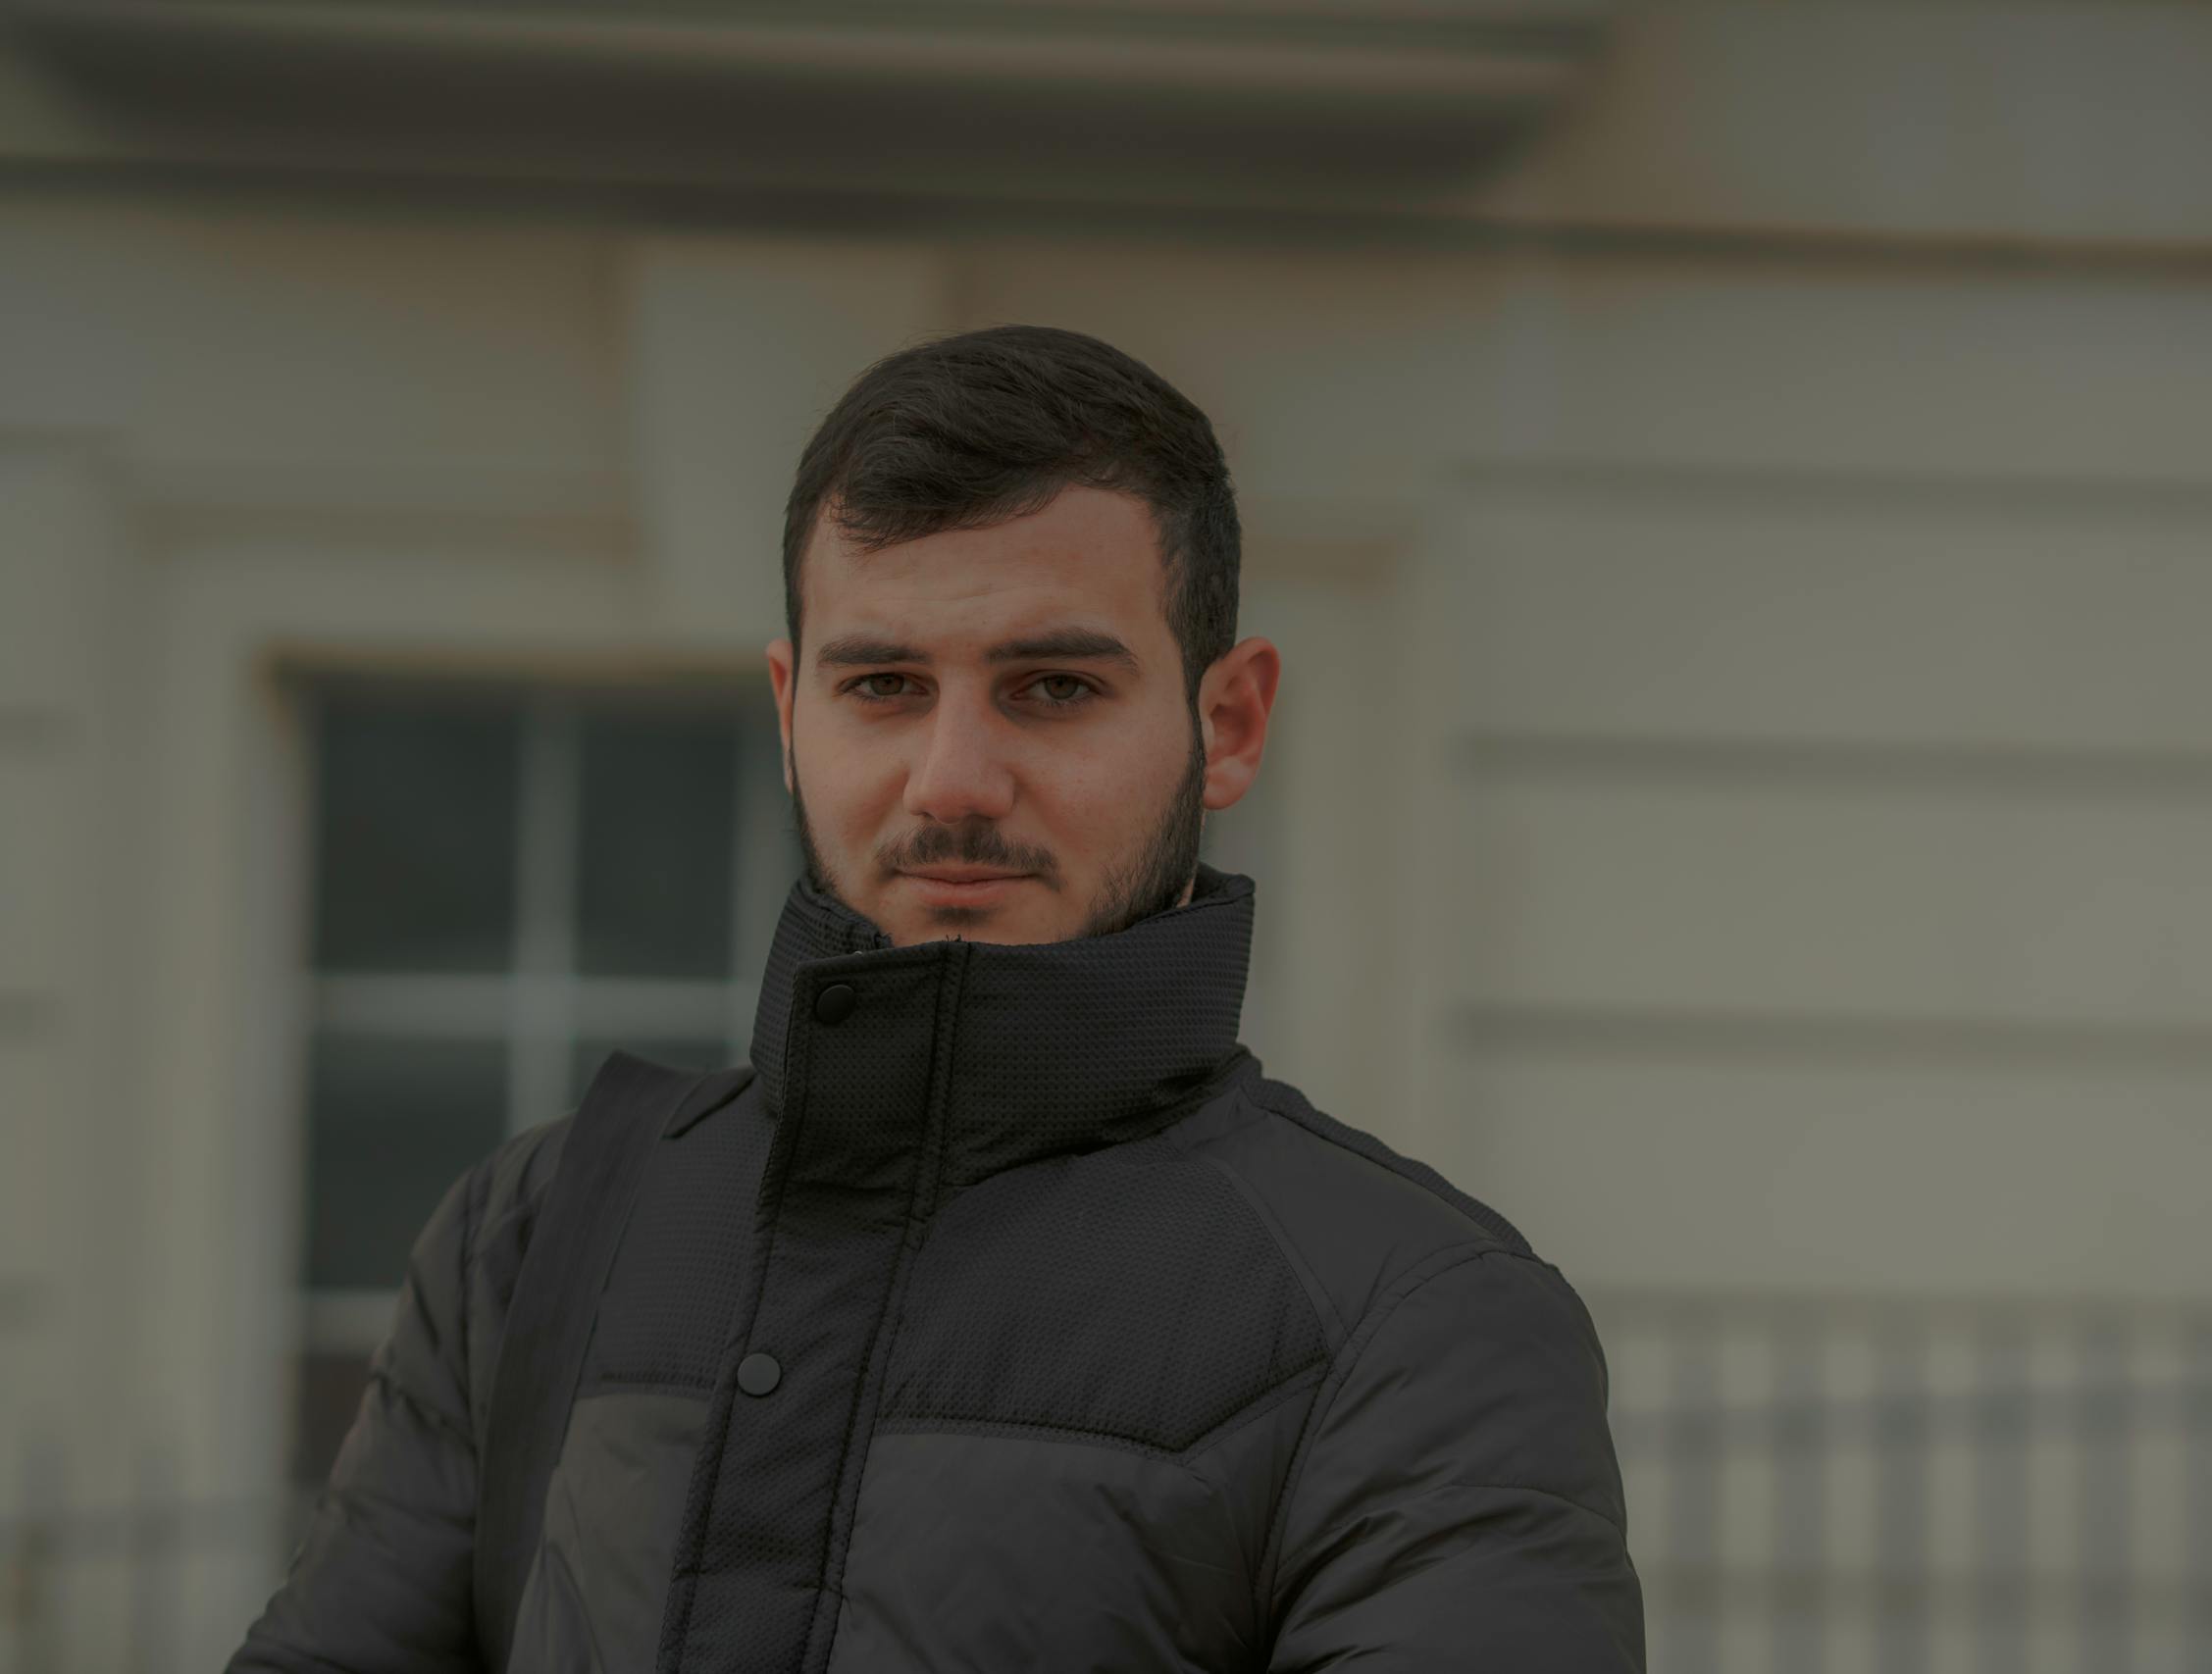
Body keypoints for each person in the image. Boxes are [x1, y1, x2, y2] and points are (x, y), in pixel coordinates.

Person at [228, 325, 1645, 1671]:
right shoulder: (533, 1240)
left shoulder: (1420, 1324)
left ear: (1226, 725)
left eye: (1053, 687)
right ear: (791, 713)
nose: (953, 782)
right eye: (887, 684)